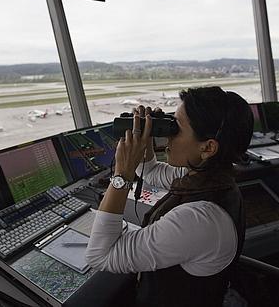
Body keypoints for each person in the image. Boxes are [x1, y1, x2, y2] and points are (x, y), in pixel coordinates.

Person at [85, 86, 254, 307]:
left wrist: (122, 173)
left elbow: (101, 256)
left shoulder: (199, 219)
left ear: (208, 147)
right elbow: (153, 172)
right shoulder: (211, 176)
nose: (167, 137)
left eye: (177, 128)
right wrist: (146, 140)